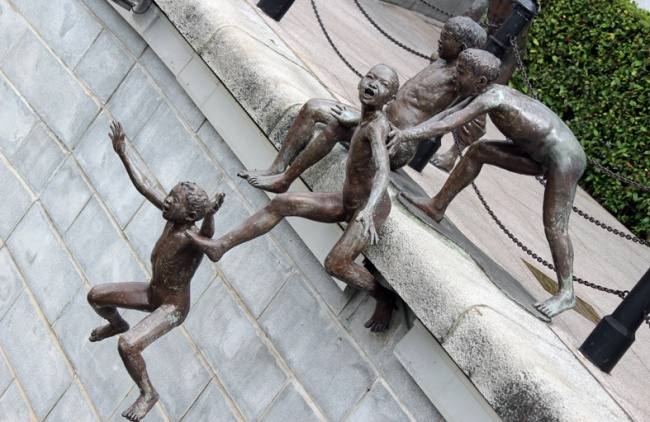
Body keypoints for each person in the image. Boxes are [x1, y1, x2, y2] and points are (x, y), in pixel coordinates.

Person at [188, 65, 400, 332]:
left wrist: (368, 211)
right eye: (369, 77)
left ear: (389, 100)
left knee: (336, 264)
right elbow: (361, 122)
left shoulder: (376, 128)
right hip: (348, 200)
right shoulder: (365, 119)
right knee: (281, 203)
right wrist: (354, 119)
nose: (372, 84)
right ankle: (221, 245)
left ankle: (384, 297)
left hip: (369, 210)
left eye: (381, 84)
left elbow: (383, 170)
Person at [388, 49, 586, 319]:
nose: (455, 77)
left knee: (554, 224)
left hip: (565, 157)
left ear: (480, 81)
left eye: (461, 73)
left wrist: (405, 134)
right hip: (537, 152)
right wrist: (405, 133)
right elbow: (443, 116)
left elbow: (448, 124)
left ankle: (567, 293)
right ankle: (437, 206)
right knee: (478, 151)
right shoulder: (483, 92)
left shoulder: (492, 98)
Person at [238, 16, 487, 193]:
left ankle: (285, 180)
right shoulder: (439, 60)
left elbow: (462, 119)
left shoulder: (461, 81)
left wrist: (439, 145)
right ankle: (277, 166)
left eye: (446, 38)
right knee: (314, 106)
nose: (439, 41)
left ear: (463, 49)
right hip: (375, 120)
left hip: (394, 142)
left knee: (334, 126)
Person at [87, 122, 225, 422]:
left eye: (173, 200)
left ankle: (148, 393)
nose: (167, 200)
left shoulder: (190, 238)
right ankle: (116, 322)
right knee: (96, 295)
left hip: (171, 307)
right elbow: (143, 186)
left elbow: (210, 242)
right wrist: (123, 152)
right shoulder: (171, 220)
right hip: (153, 291)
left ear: (188, 215)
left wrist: (210, 217)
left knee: (128, 347)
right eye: (171, 194)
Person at [431, 0, 534, 171]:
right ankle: (426, 128)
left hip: (492, 64)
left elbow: (511, 60)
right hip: (472, 51)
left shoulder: (523, 11)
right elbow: (469, 17)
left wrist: (493, 86)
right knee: (441, 72)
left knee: (477, 104)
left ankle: (453, 153)